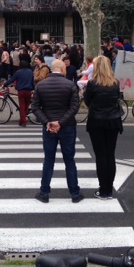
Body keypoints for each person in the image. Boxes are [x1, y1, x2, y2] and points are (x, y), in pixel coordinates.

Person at [30, 59, 83, 203]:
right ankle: (74, 193)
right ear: (61, 68)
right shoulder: (70, 85)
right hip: (67, 126)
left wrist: (47, 122)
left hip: (48, 128)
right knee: (69, 160)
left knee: (48, 160)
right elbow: (74, 107)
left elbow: (34, 107)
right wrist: (61, 122)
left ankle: (44, 193)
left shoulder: (41, 85)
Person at [84, 56, 123, 200]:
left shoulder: (92, 84)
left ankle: (103, 189)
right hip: (113, 121)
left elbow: (87, 102)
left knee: (100, 156)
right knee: (110, 154)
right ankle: (109, 190)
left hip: (97, 121)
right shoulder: (115, 83)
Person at [3, 60, 35, 126]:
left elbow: (12, 79)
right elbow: (32, 81)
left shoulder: (18, 72)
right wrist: (33, 88)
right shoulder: (30, 72)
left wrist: (5, 84)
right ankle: (21, 121)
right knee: (26, 106)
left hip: (21, 91)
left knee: (22, 106)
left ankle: (24, 121)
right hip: (29, 90)